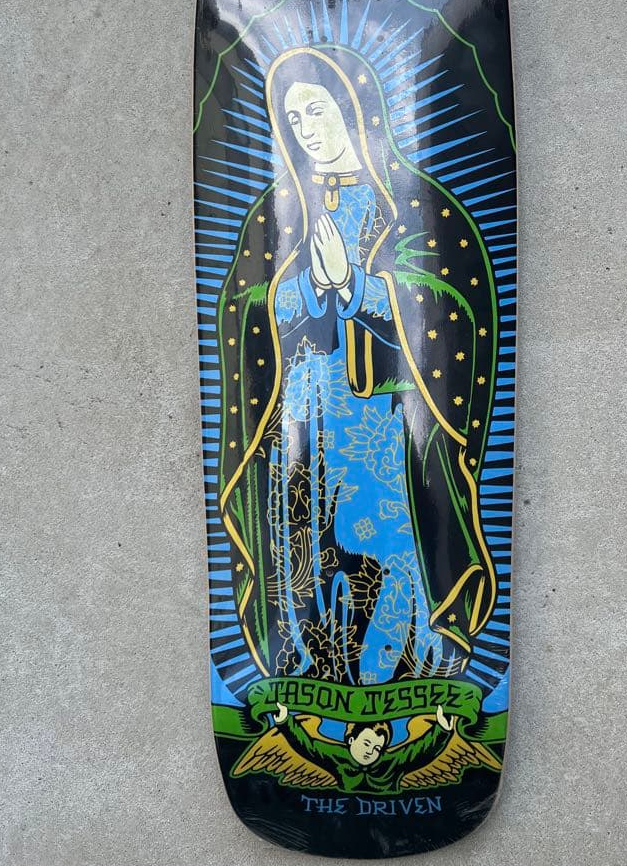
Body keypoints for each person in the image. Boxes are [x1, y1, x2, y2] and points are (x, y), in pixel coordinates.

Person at [217, 44, 497, 686]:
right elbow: (244, 305)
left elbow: (451, 303)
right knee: (306, 551)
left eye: (317, 110)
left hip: (381, 419)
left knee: (383, 550)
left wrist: (357, 287)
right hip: (301, 413)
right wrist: (309, 288)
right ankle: (313, 675)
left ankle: (398, 675)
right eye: (293, 119)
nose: (307, 131)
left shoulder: (412, 205)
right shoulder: (279, 209)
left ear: (354, 108)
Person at [272, 702, 454, 794]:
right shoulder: (337, 755)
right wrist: (285, 721)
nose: (370, 751)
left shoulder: (392, 762)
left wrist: (443, 730)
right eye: (367, 743)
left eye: (377, 748)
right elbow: (308, 746)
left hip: (397, 822)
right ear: (351, 739)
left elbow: (420, 750)